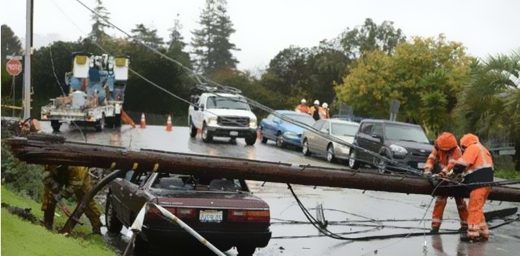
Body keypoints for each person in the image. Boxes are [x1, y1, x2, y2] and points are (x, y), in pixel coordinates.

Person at [423, 132, 468, 233]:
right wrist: (427, 170)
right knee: (440, 200)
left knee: (460, 201)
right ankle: (435, 227)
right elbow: (431, 159)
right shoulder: (437, 147)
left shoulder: (456, 150)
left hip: (456, 178)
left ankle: (465, 226)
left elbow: (452, 165)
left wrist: (441, 174)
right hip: (443, 178)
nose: (443, 151)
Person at [452, 133, 494, 242]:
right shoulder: (483, 149)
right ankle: (484, 232)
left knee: (473, 208)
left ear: (464, 144)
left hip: (478, 184)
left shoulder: (472, 148)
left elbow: (461, 164)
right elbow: (473, 168)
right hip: (487, 184)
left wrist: (453, 173)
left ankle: (473, 234)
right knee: (478, 208)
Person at [41, 165, 102, 234]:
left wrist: (61, 194)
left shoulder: (78, 168)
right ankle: (47, 223)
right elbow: (45, 173)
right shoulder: (51, 160)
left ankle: (97, 228)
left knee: (87, 200)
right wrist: (52, 184)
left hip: (79, 177)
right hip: (59, 173)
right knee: (49, 196)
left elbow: (76, 185)